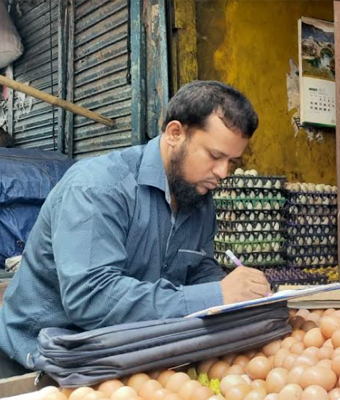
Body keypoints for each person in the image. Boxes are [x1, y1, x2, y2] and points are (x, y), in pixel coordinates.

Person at [0, 81, 271, 377]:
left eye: (232, 161)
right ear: (175, 133)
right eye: (215, 156)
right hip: (43, 357)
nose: (223, 173)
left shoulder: (199, 201)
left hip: (125, 352)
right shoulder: (97, 187)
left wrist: (236, 290)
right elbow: (90, 298)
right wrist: (215, 295)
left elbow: (197, 271)